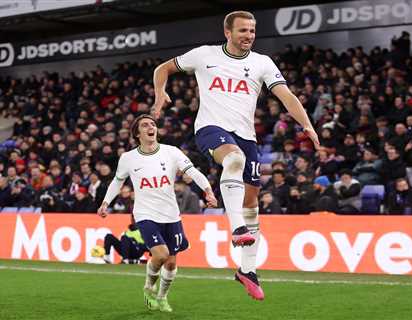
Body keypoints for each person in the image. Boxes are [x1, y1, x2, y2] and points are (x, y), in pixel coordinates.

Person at [152, 10, 320, 300]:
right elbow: (162, 69)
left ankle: (247, 270)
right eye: (243, 31)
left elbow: (287, 96)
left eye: (252, 31)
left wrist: (306, 124)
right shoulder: (204, 55)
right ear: (227, 32)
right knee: (234, 159)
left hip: (246, 136)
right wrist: (159, 94)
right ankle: (236, 227)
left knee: (252, 202)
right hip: (210, 128)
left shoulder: (262, 63)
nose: (249, 36)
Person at [98, 114, 217, 312]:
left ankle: (162, 297)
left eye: (152, 124)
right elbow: (118, 181)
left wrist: (209, 190)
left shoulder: (171, 152)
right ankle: (148, 287)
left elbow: (193, 172)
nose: (150, 127)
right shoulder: (128, 158)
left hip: (171, 215)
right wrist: (105, 202)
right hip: (145, 214)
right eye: (145, 125)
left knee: (171, 263)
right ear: (137, 133)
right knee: (160, 254)